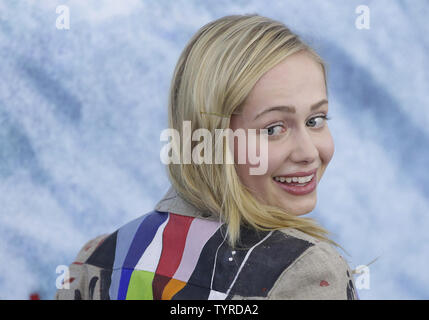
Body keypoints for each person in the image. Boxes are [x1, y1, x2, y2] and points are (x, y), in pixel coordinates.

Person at [55, 14, 358, 300]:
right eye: (274, 128)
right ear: (210, 136)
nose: (308, 153)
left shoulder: (96, 259)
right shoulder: (308, 271)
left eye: (315, 120)